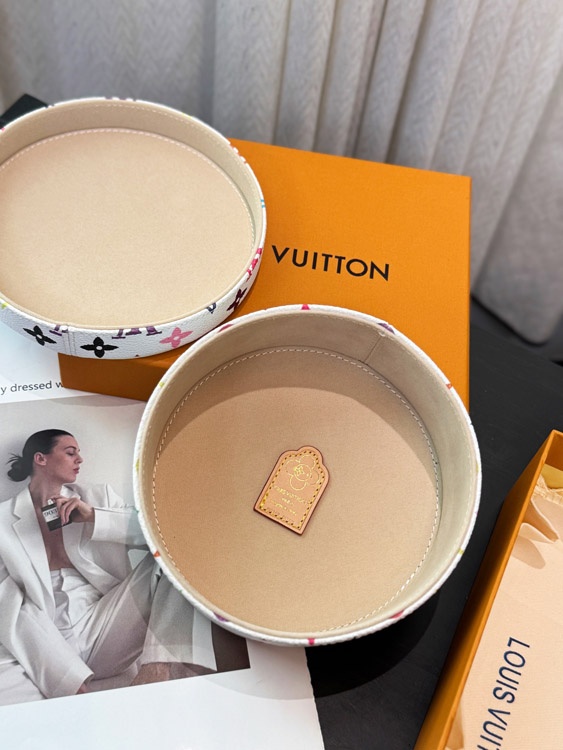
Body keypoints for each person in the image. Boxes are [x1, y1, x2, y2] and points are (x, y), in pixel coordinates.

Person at [0, 429, 221, 705]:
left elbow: (163, 534)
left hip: (105, 622)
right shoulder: (3, 521)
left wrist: (94, 517)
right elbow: (10, 604)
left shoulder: (97, 497)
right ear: (40, 459)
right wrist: (65, 676)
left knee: (174, 557)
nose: (80, 459)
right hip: (45, 634)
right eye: (70, 452)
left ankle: (157, 671)